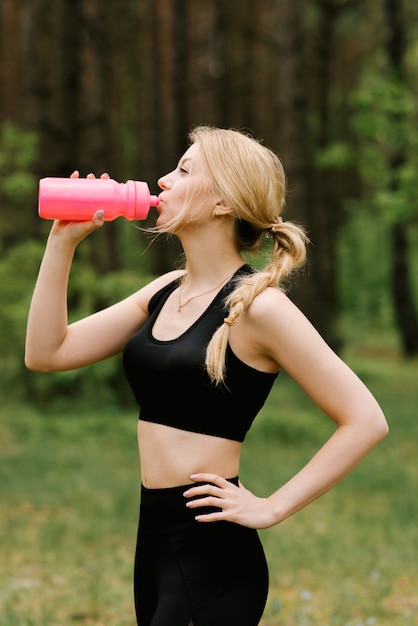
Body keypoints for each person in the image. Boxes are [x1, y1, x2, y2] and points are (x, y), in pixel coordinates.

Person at [25, 125, 388, 626]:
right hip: (153, 538)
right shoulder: (167, 290)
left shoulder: (259, 308)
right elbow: (48, 352)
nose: (163, 180)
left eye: (183, 170)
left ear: (222, 203)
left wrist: (271, 507)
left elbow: (366, 419)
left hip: (211, 551)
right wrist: (62, 242)